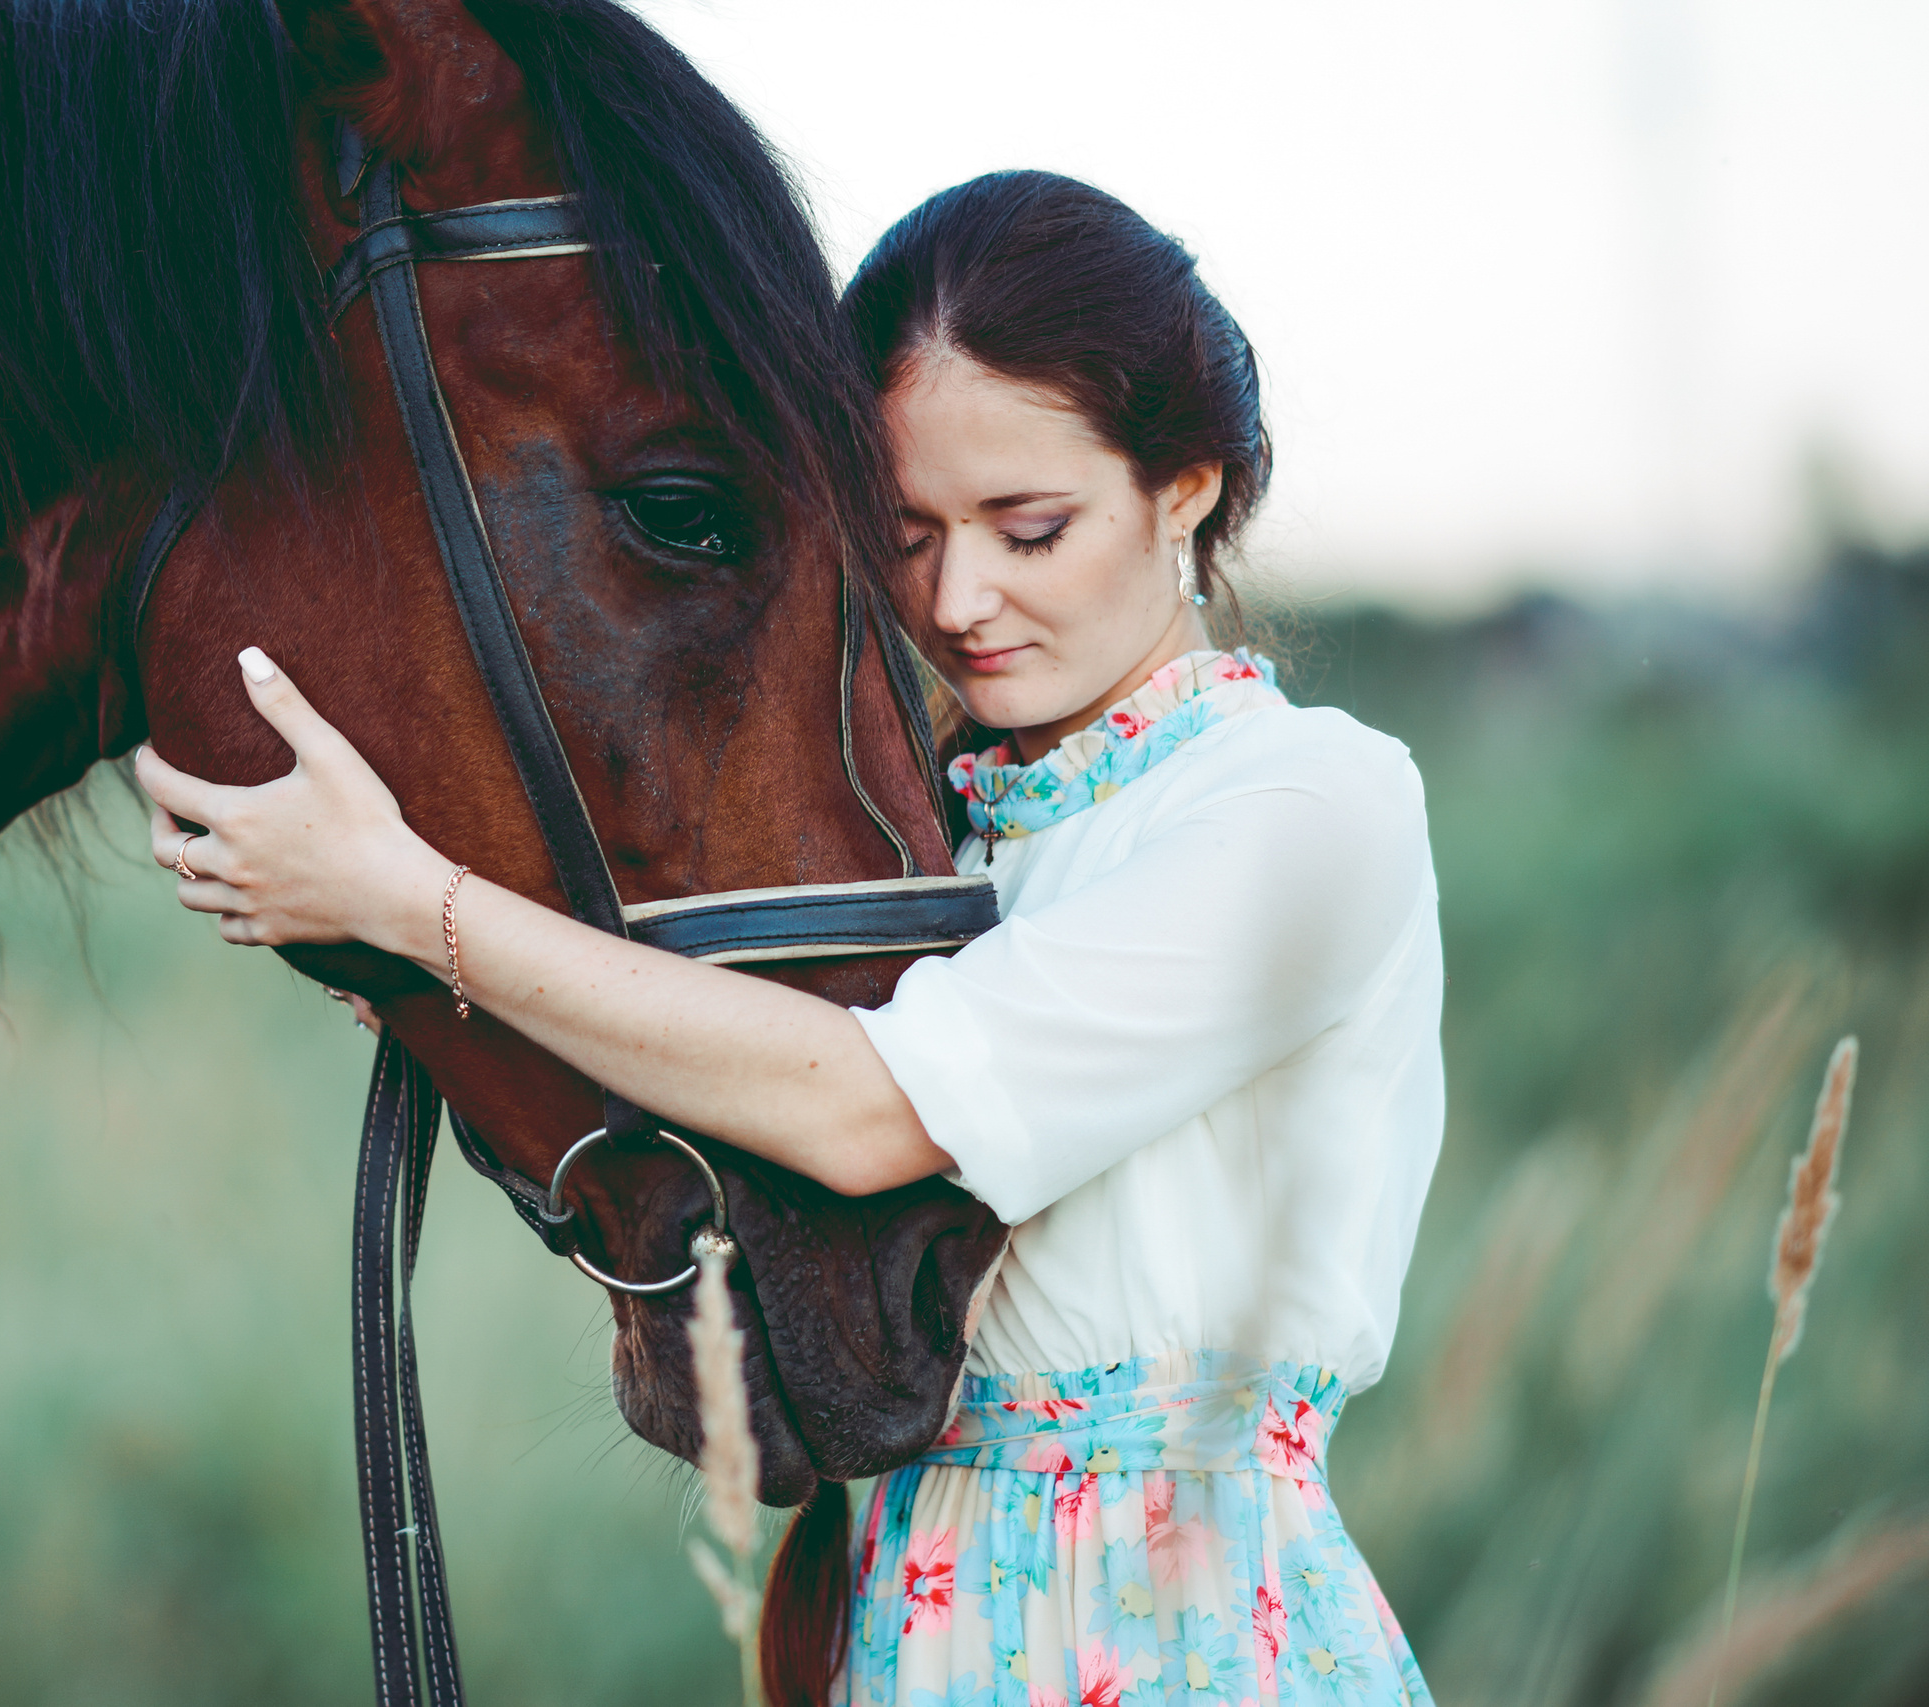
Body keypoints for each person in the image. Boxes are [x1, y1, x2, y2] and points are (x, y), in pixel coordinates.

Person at [136, 170, 1441, 1707]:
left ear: (1191, 489)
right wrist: (442, 976)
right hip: (888, 1616)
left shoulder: (1305, 808)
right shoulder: (926, 847)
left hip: (1170, 1634)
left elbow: (868, 1106)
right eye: (901, 533)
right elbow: (728, 1120)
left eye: (1031, 528)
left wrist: (417, 907)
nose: (959, 599)